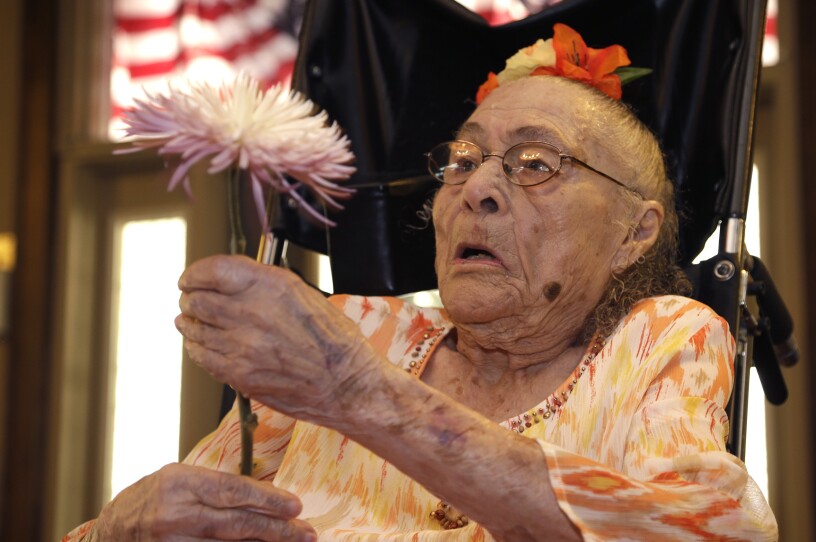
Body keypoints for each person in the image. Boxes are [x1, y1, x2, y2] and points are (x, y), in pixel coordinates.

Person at [64, 24, 777, 542]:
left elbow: (712, 532)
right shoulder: (351, 330)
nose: (479, 190)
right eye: (462, 162)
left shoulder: (658, 340)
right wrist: (116, 530)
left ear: (635, 231)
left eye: (535, 163)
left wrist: (361, 396)